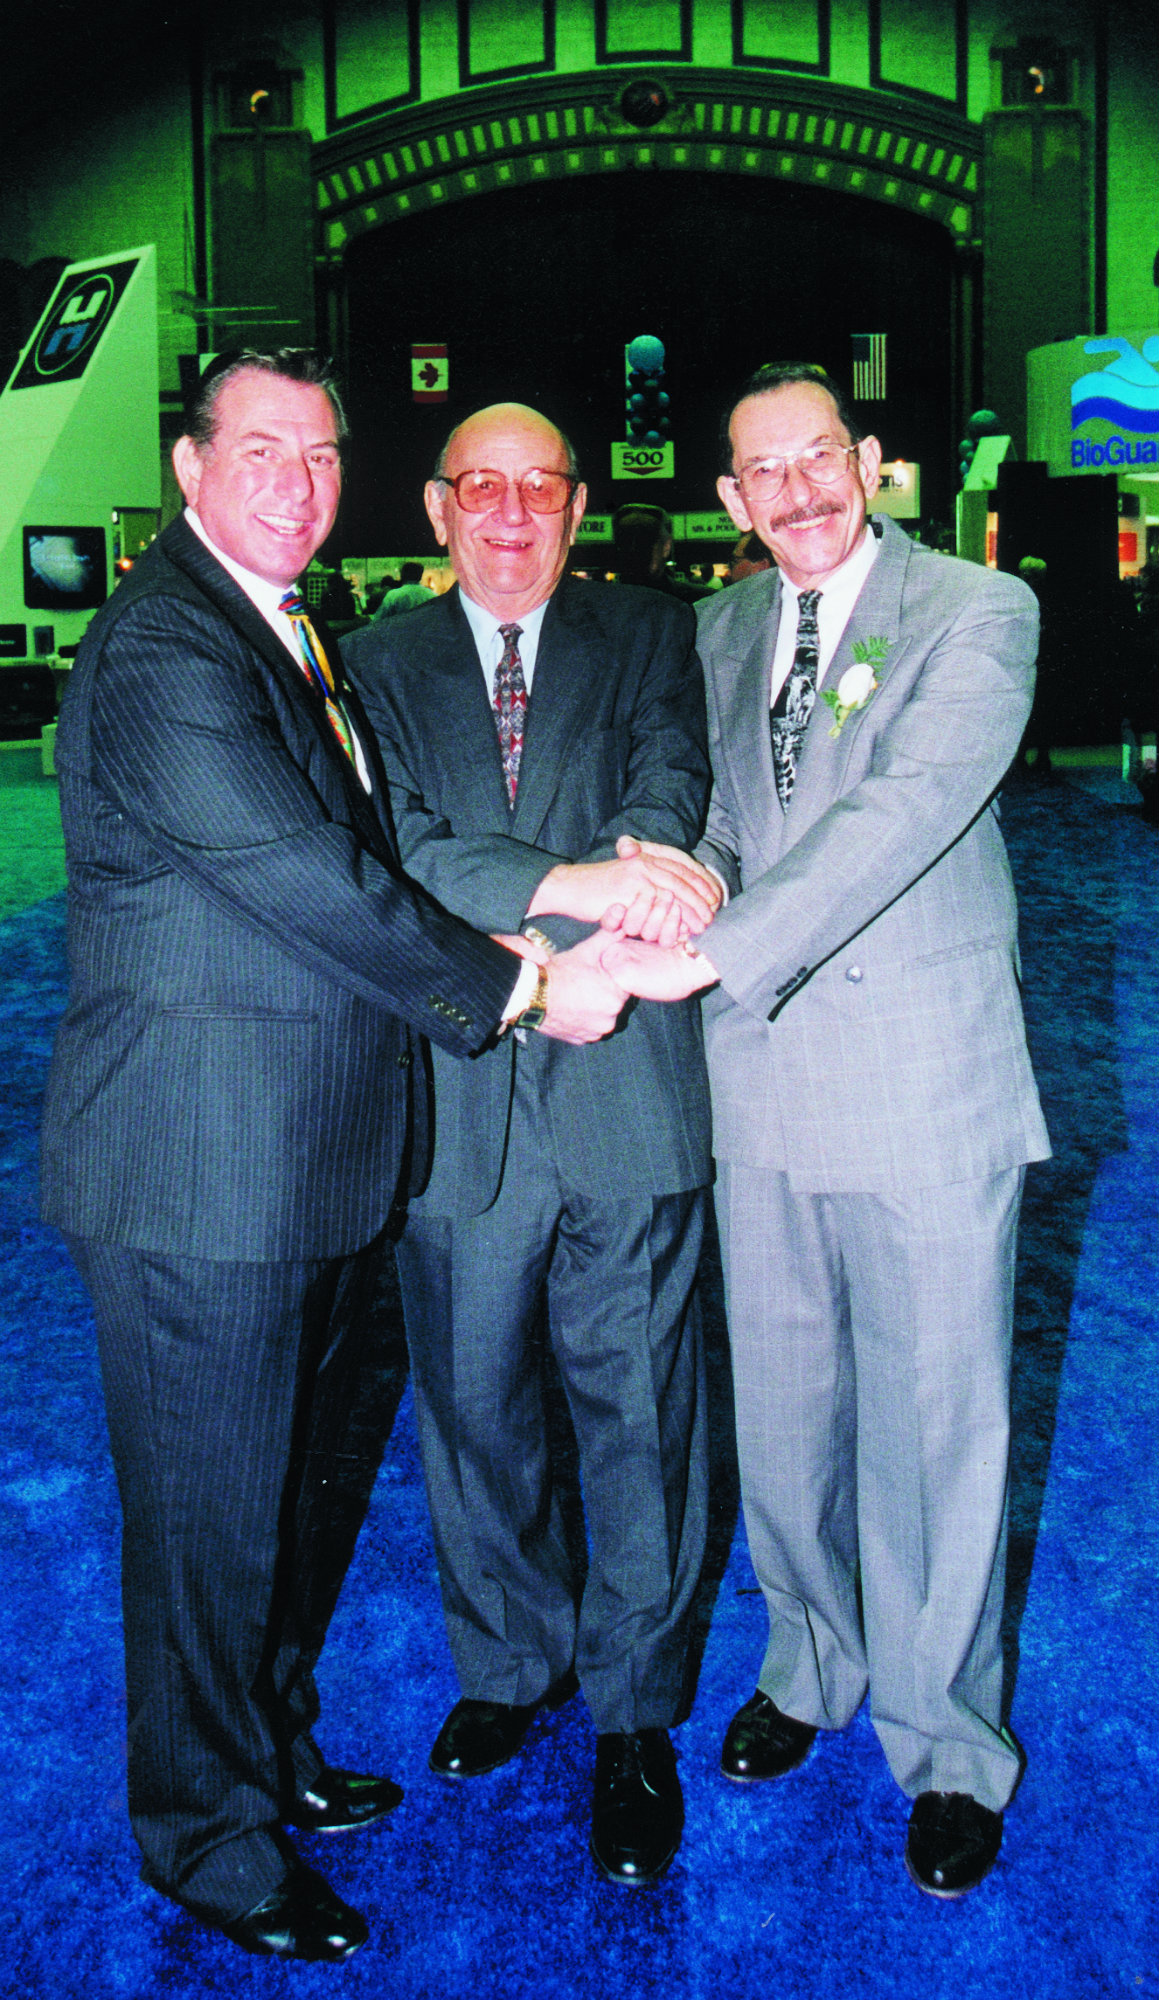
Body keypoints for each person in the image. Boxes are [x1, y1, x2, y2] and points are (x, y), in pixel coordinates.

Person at [39, 352, 629, 1963]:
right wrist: (522, 983)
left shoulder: (283, 629)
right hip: (200, 1179)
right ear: (187, 466)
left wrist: (522, 914)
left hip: (315, 1162)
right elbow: (309, 879)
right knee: (208, 1525)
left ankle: (270, 1748)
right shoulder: (169, 649)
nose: (297, 479)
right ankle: (205, 1837)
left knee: (288, 1505)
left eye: (320, 452)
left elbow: (364, 860)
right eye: (261, 449)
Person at [600, 362, 1050, 1899]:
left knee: (937, 1431)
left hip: (926, 1080)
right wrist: (657, 887)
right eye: (760, 472)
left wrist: (707, 951)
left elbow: (901, 812)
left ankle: (947, 1743)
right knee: (786, 1412)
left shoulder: (978, 614)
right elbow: (730, 826)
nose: (795, 490)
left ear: (874, 462)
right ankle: (808, 1665)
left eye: (820, 458)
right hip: (761, 1083)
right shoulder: (721, 630)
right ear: (727, 499)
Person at [345, 402, 722, 1887]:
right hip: (462, 1093)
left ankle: (634, 1715)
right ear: (437, 510)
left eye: (539, 489)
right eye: (480, 490)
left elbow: (668, 799)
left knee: (643, 1412)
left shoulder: (648, 637)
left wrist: (615, 882)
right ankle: (510, 1668)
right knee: (473, 1403)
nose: (510, 515)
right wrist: (580, 885)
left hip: (631, 1082)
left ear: (576, 508)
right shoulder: (370, 665)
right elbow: (402, 848)